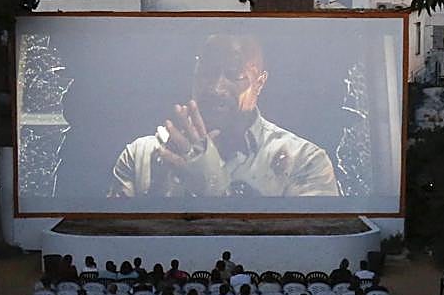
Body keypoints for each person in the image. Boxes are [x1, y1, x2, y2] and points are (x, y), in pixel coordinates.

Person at [108, 33, 341, 198]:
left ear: (260, 82)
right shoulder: (141, 155)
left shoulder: (305, 161)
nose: (216, 88)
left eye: (234, 75)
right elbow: (117, 243)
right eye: (207, 73)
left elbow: (306, 248)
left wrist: (212, 186)